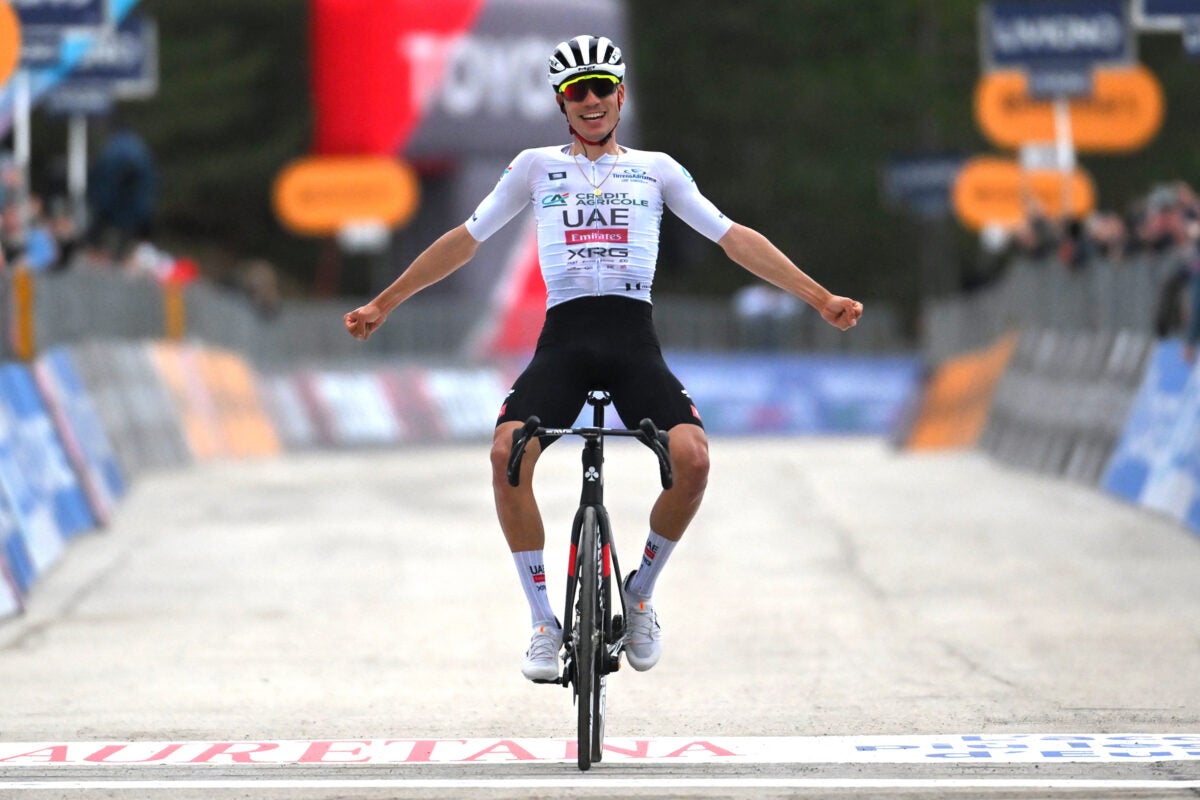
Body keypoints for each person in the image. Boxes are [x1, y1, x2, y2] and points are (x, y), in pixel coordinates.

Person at [344, 34, 863, 682]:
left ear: (620, 95)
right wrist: (384, 303)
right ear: (563, 104)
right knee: (507, 455)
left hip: (631, 343)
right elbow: (464, 241)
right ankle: (541, 622)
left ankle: (639, 593)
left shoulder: (657, 170)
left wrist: (819, 297)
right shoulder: (535, 167)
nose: (590, 102)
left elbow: (732, 239)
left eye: (600, 89)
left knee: (693, 459)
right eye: (576, 93)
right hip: (562, 342)